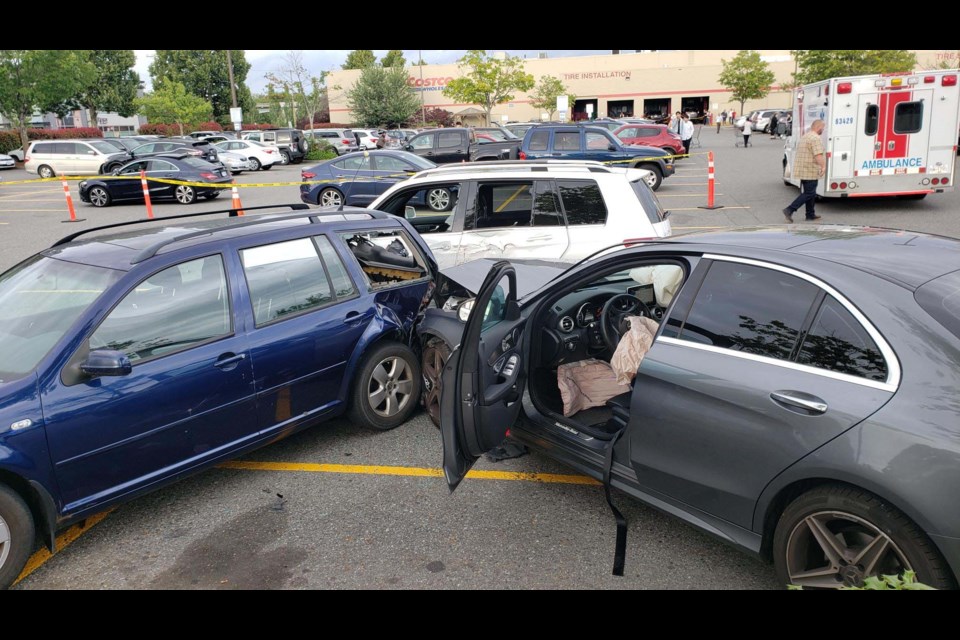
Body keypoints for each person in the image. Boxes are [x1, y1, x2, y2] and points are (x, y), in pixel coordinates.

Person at [782, 119, 826, 223]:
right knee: (809, 193)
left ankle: (810, 214)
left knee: (810, 192)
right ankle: (789, 209)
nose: (823, 130)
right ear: (819, 127)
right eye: (823, 128)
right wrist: (823, 166)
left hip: (803, 169)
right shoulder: (815, 138)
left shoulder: (806, 136)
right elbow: (818, 155)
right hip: (810, 169)